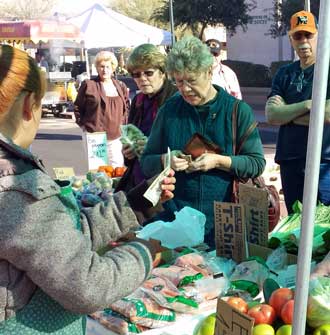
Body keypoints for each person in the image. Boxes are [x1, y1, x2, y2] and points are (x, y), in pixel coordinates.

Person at [0, 45, 175, 335]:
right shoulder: (15, 189)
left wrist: (132, 206)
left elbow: (58, 239)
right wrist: (143, 253)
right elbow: (88, 285)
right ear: (28, 106)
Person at [140, 36, 265, 248]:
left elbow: (256, 164)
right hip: (176, 223)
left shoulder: (236, 111)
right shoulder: (170, 110)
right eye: (179, 81)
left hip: (225, 227)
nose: (186, 89)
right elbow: (145, 162)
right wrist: (165, 159)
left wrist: (219, 161)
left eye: (192, 80)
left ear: (209, 72)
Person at [266, 10, 330, 214]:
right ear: (291, 38)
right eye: (298, 35)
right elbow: (272, 115)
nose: (303, 41)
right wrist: (308, 105)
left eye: (308, 35)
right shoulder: (285, 73)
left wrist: (288, 114)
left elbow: (327, 113)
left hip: (323, 162)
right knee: (295, 225)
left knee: (324, 225)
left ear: (319, 35)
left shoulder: (327, 70)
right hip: (290, 160)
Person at [116, 43, 177, 193]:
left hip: (167, 181)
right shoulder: (138, 100)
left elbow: (182, 144)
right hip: (139, 178)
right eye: (136, 75)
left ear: (162, 72)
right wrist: (128, 151)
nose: (142, 78)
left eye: (149, 73)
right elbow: (130, 135)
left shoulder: (176, 98)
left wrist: (152, 146)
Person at [74, 51, 130, 167]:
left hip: (116, 136)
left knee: (118, 170)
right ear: (97, 68)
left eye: (108, 67)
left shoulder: (120, 86)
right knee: (98, 173)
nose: (105, 70)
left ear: (113, 68)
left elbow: (126, 108)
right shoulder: (89, 85)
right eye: (102, 67)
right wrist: (84, 126)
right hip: (95, 136)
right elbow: (78, 106)